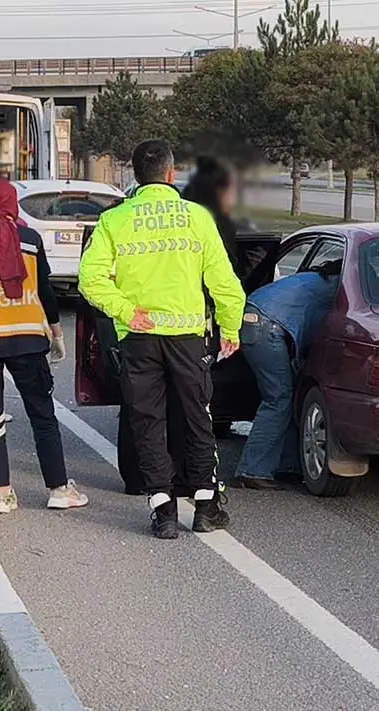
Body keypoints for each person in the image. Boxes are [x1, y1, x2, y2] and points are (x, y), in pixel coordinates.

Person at [79, 139, 245, 539]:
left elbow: (89, 278)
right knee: (196, 419)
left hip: (138, 338)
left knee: (147, 422)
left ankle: (163, 511)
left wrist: (124, 310)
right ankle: (206, 507)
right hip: (187, 337)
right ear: (172, 174)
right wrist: (231, 328)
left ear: (136, 176)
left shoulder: (115, 220)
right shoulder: (196, 217)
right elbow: (224, 282)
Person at [0, 178, 86, 515]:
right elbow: (45, 292)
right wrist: (57, 335)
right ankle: (58, 488)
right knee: (42, 414)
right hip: (28, 340)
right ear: (11, 203)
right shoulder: (30, 240)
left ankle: (3, 495)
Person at [233, 260, 343, 488]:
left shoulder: (314, 279)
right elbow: (314, 333)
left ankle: (288, 466)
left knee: (288, 395)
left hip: (255, 321)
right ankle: (253, 471)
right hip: (267, 329)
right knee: (279, 398)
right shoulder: (335, 290)